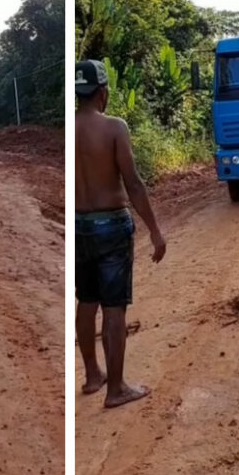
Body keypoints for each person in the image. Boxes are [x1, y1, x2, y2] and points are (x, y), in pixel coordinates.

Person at [75, 60, 166, 408]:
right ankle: (116, 389)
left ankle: (92, 376)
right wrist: (155, 231)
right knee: (114, 308)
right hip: (111, 225)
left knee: (86, 301)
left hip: (80, 226)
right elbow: (133, 183)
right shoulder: (114, 127)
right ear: (102, 92)